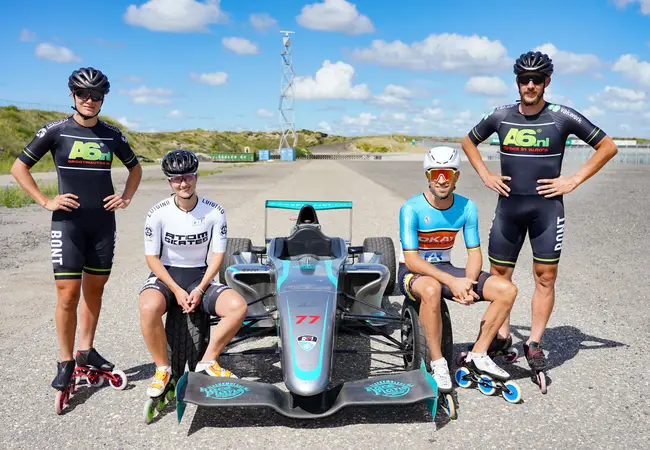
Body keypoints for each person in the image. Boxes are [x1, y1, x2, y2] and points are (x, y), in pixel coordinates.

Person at [461, 51, 618, 375]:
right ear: (517, 82)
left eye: (536, 79)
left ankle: (533, 342)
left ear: (547, 81)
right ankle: (501, 336)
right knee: (499, 276)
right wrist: (485, 175)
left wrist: (573, 180)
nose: (530, 85)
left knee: (545, 277)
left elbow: (607, 146)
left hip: (547, 210)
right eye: (524, 79)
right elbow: (468, 142)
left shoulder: (562, 117)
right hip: (509, 209)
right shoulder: (501, 115)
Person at [10, 67, 143, 391]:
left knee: (94, 292)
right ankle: (65, 360)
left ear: (102, 99)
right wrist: (45, 201)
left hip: (102, 225)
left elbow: (135, 168)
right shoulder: (56, 131)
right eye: (83, 93)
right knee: (68, 295)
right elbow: (18, 167)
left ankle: (86, 350)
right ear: (72, 95)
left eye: (96, 95)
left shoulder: (112, 134)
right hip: (68, 225)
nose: (89, 100)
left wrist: (125, 197)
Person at [398, 146, 518, 391]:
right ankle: (438, 363)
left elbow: (474, 253)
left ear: (457, 177)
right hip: (412, 272)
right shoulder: (411, 208)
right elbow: (411, 260)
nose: (442, 180)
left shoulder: (466, 207)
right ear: (428, 176)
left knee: (506, 290)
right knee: (431, 288)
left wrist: (469, 284)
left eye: (448, 174)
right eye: (436, 173)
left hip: (444, 268)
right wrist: (453, 282)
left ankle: (479, 354)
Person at [139, 149, 247, 398]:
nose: (183, 183)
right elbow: (152, 259)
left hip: (199, 275)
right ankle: (162, 368)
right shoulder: (157, 213)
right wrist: (176, 290)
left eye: (188, 176)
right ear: (169, 181)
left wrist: (200, 288)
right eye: (176, 179)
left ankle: (208, 361)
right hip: (167, 275)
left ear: (196, 177)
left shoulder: (214, 211)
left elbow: (217, 255)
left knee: (238, 307)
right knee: (147, 307)